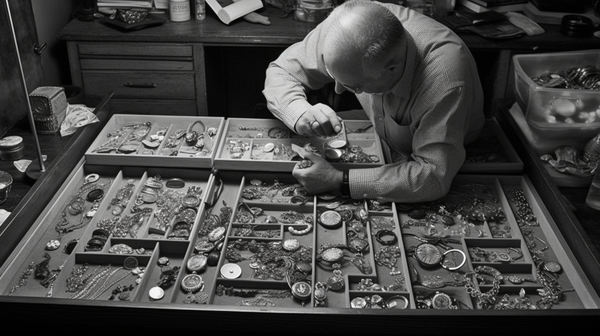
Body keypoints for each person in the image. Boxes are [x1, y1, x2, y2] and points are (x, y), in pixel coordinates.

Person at [262, 0, 485, 204]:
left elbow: (433, 177)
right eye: (334, 77)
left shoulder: (444, 80)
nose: (338, 89)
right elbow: (282, 70)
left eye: (354, 87)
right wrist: (299, 111)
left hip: (434, 146)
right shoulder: (348, 26)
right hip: (377, 130)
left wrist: (340, 180)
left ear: (392, 69)